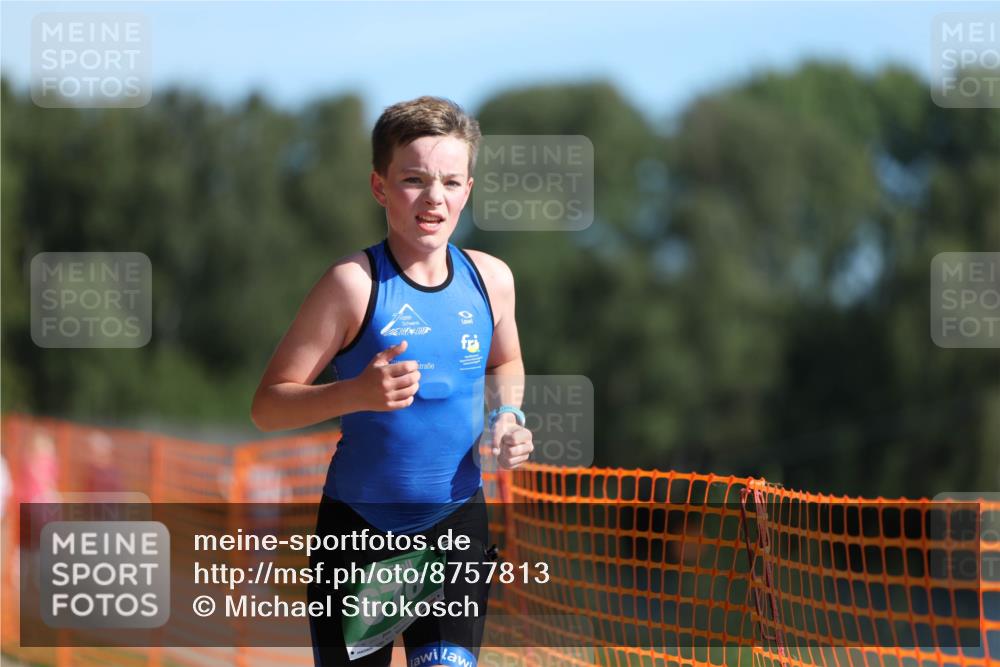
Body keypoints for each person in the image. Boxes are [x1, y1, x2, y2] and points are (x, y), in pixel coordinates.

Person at [251, 96, 534, 667]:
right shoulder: (353, 285)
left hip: (457, 525)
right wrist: (352, 394)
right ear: (380, 188)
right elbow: (267, 406)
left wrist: (508, 417)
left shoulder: (491, 280)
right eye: (414, 180)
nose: (434, 197)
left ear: (468, 191)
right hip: (361, 535)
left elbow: (506, 364)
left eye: (451, 182)